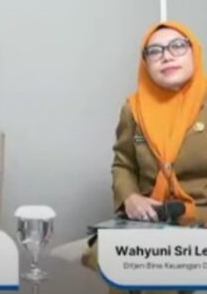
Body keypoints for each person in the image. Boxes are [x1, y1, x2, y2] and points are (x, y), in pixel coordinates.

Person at [84, 21, 207, 294]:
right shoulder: (134, 110)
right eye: (155, 51)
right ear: (146, 63)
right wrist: (130, 197)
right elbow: (124, 162)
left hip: (201, 219)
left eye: (177, 46)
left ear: (195, 52)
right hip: (152, 221)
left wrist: (193, 215)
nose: (167, 56)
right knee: (114, 257)